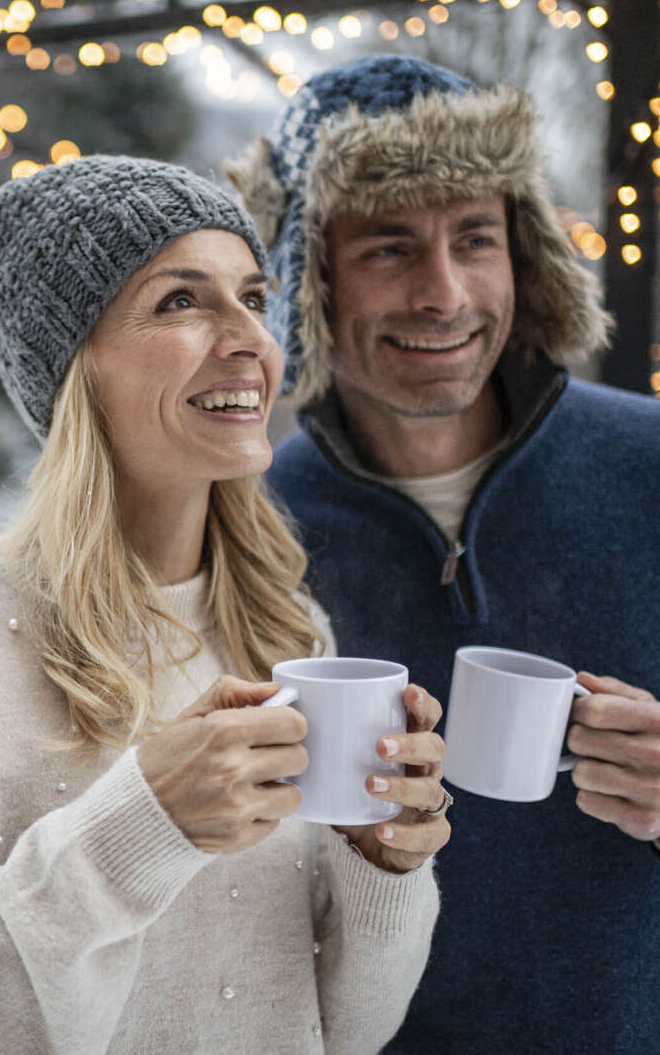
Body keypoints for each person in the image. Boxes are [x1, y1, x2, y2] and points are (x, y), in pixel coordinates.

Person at [0, 155, 451, 1054]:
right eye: (181, 301)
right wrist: (139, 831)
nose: (250, 339)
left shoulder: (288, 632)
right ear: (77, 369)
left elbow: (343, 1031)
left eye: (252, 298)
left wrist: (382, 869)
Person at [226, 54, 660, 1053]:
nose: (445, 293)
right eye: (389, 247)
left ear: (526, 255)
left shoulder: (650, 469)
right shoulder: (245, 533)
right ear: (308, 278)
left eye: (476, 238)